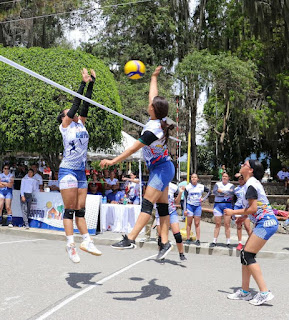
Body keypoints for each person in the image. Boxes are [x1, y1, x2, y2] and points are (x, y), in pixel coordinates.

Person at [100, 66, 175, 260]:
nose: (148, 103)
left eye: (151, 104)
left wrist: (112, 161)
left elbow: (132, 149)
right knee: (163, 207)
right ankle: (165, 243)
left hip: (161, 169)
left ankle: (131, 238)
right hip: (163, 166)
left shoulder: (154, 130)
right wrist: (153, 77)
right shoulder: (160, 118)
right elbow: (154, 95)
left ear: (153, 109)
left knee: (148, 204)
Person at [57, 68, 101, 263]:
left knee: (80, 210)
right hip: (67, 169)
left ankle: (87, 241)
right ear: (64, 118)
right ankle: (70, 245)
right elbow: (76, 104)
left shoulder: (81, 123)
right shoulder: (65, 126)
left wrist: (91, 82)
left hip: (80, 171)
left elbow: (86, 105)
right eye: (68, 113)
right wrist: (82, 83)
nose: (72, 113)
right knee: (70, 209)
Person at [225, 160, 278, 306]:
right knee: (244, 255)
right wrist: (243, 217)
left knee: (248, 255)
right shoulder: (249, 184)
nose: (241, 165)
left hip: (266, 222)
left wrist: (233, 212)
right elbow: (256, 207)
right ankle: (245, 291)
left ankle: (264, 293)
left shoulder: (251, 184)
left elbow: (254, 208)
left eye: (245, 164)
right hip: (263, 221)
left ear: (251, 170)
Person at [155, 183, 187, 261]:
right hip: (160, 213)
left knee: (177, 234)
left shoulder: (173, 187)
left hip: (171, 212)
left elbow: (177, 202)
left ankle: (181, 253)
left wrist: (180, 193)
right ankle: (161, 254)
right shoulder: (157, 185)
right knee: (161, 236)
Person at [184, 173, 210, 246]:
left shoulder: (201, 187)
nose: (193, 178)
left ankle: (198, 239)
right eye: (192, 177)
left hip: (197, 207)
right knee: (189, 223)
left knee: (197, 223)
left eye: (195, 177)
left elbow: (209, 191)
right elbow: (185, 198)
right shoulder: (188, 187)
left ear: (198, 179)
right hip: (190, 206)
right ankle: (188, 238)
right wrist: (185, 209)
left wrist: (203, 199)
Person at [210, 172, 234, 248]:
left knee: (227, 224)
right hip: (218, 205)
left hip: (227, 205)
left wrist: (222, 191)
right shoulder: (217, 184)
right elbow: (215, 192)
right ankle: (214, 241)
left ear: (228, 178)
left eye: (226, 176)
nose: (224, 177)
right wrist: (226, 192)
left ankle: (228, 242)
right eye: (223, 176)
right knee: (217, 224)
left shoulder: (231, 185)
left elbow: (232, 193)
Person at [233, 174, 251, 251]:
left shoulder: (247, 187)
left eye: (242, 179)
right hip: (237, 207)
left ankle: (251, 242)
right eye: (239, 179)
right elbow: (233, 199)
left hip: (245, 208)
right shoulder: (236, 189)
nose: (240, 180)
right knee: (239, 226)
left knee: (247, 226)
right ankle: (240, 243)